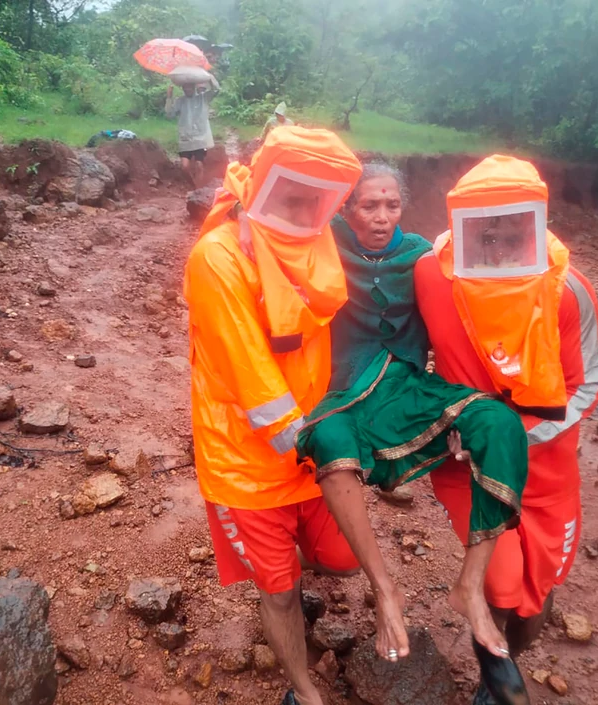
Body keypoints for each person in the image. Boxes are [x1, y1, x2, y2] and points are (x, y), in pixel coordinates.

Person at [294, 162, 532, 704]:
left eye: (392, 205)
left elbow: (476, 301)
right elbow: (268, 228)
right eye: (368, 206)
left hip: (409, 390)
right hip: (344, 392)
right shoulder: (321, 243)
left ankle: (469, 587)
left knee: (498, 422)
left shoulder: (424, 255)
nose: (381, 217)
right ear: (346, 208)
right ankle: (385, 589)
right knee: (329, 442)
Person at [414, 155, 598, 705]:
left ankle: (502, 669)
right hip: (465, 466)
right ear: (461, 226)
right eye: (484, 232)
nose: (496, 245)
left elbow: (587, 385)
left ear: (535, 225)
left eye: (511, 231)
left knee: (535, 597)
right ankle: (495, 681)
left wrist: (510, 436)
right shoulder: (432, 274)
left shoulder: (567, 291)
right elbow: (403, 351)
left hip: (546, 473)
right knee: (500, 585)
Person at [184, 125, 364, 705]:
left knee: (343, 560)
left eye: (317, 197)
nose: (305, 208)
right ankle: (303, 691)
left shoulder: (317, 237)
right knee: (280, 590)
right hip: (246, 459)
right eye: (293, 193)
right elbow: (255, 382)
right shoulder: (218, 256)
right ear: (264, 185)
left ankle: (290, 561)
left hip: (309, 446)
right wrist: (332, 450)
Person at [166, 74, 219, 186]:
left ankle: (199, 187)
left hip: (201, 138)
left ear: (194, 87)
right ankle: (192, 184)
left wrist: (210, 78)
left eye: (189, 87)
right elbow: (169, 114)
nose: (187, 90)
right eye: (185, 88)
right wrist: (169, 97)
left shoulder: (203, 98)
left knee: (199, 164)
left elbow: (216, 90)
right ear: (183, 88)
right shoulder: (180, 101)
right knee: (184, 166)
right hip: (185, 138)